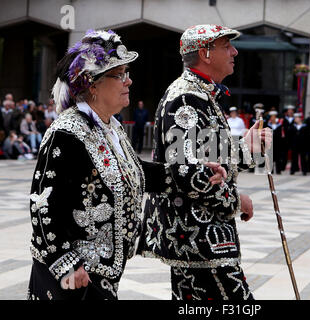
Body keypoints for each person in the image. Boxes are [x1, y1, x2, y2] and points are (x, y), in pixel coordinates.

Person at [27, 29, 230, 300]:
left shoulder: (111, 128)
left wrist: (197, 173)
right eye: (119, 74)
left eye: (127, 73)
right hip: (71, 278)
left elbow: (139, 172)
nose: (129, 81)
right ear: (92, 84)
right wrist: (66, 262)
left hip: (103, 274)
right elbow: (43, 204)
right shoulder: (66, 133)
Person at [137, 24, 271, 301]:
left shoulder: (202, 95)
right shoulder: (187, 98)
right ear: (206, 53)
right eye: (226, 46)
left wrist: (250, 149)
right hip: (198, 234)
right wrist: (236, 200)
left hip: (204, 235)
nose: (234, 52)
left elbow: (211, 159)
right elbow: (188, 174)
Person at [267, 110, 283, 174]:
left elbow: (282, 134)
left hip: (278, 143)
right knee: (270, 157)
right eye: (271, 117)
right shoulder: (268, 124)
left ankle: (278, 170)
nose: (272, 118)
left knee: (278, 157)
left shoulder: (279, 125)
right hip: (270, 143)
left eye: (274, 117)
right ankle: (271, 170)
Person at [281, 105, 295, 174]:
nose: (290, 112)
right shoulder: (283, 119)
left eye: (291, 110)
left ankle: (293, 169)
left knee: (293, 154)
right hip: (285, 139)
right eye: (289, 111)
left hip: (293, 139)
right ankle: (283, 166)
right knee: (284, 153)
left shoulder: (295, 119)